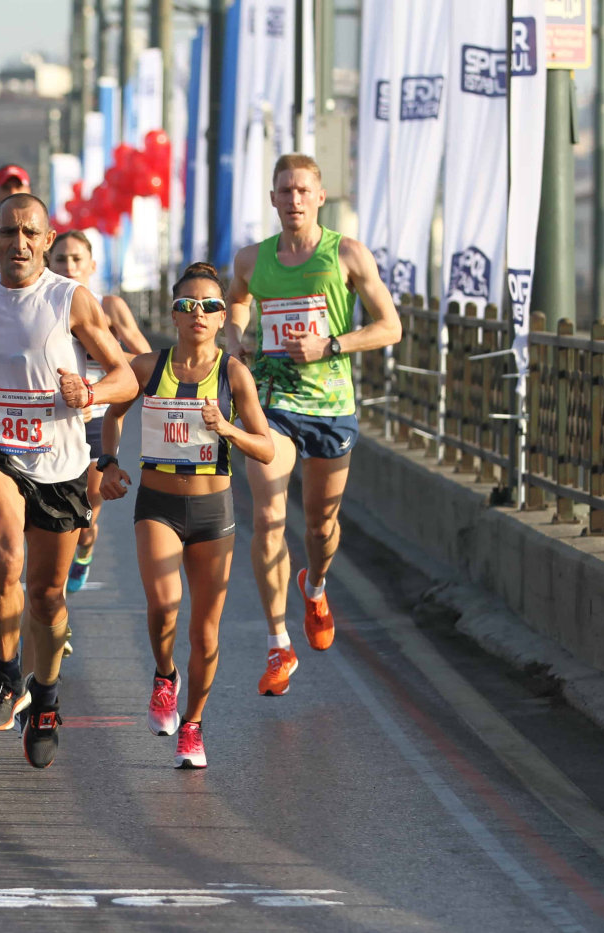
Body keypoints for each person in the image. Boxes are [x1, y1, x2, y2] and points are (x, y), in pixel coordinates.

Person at [0, 193, 137, 769]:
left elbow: (126, 376)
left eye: (30, 233)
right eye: (7, 232)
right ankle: (3, 674)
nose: (17, 243)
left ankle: (45, 699)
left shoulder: (68, 299)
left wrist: (91, 393)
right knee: (2, 559)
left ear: (48, 240)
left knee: (47, 595)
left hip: (60, 461)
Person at [224, 154, 401, 697]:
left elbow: (389, 326)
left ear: (320, 197)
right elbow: (236, 304)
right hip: (272, 403)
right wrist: (236, 342)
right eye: (284, 191)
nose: (294, 199)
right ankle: (279, 643)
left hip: (330, 405)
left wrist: (330, 345)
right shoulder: (253, 259)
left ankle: (315, 585)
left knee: (321, 528)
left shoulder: (346, 254)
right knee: (270, 515)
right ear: (273, 199)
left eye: (303, 190)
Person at [99, 263, 275, 768]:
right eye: (187, 305)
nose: (198, 314)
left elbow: (264, 449)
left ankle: (193, 725)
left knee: (206, 632)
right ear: (174, 314)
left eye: (210, 306)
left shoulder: (233, 374)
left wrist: (229, 429)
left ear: (223, 318)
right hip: (157, 504)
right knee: (164, 603)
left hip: (211, 510)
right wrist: (108, 461)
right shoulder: (147, 367)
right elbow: (112, 416)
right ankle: (163, 675)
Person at [48, 230, 152, 596]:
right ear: (49, 263)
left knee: (88, 516)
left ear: (92, 265)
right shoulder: (41, 305)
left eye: (77, 259)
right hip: (53, 421)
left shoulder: (110, 306)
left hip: (98, 420)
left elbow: (145, 361)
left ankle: (86, 550)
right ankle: (52, 601)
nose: (69, 266)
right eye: (61, 259)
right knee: (50, 518)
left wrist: (97, 386)